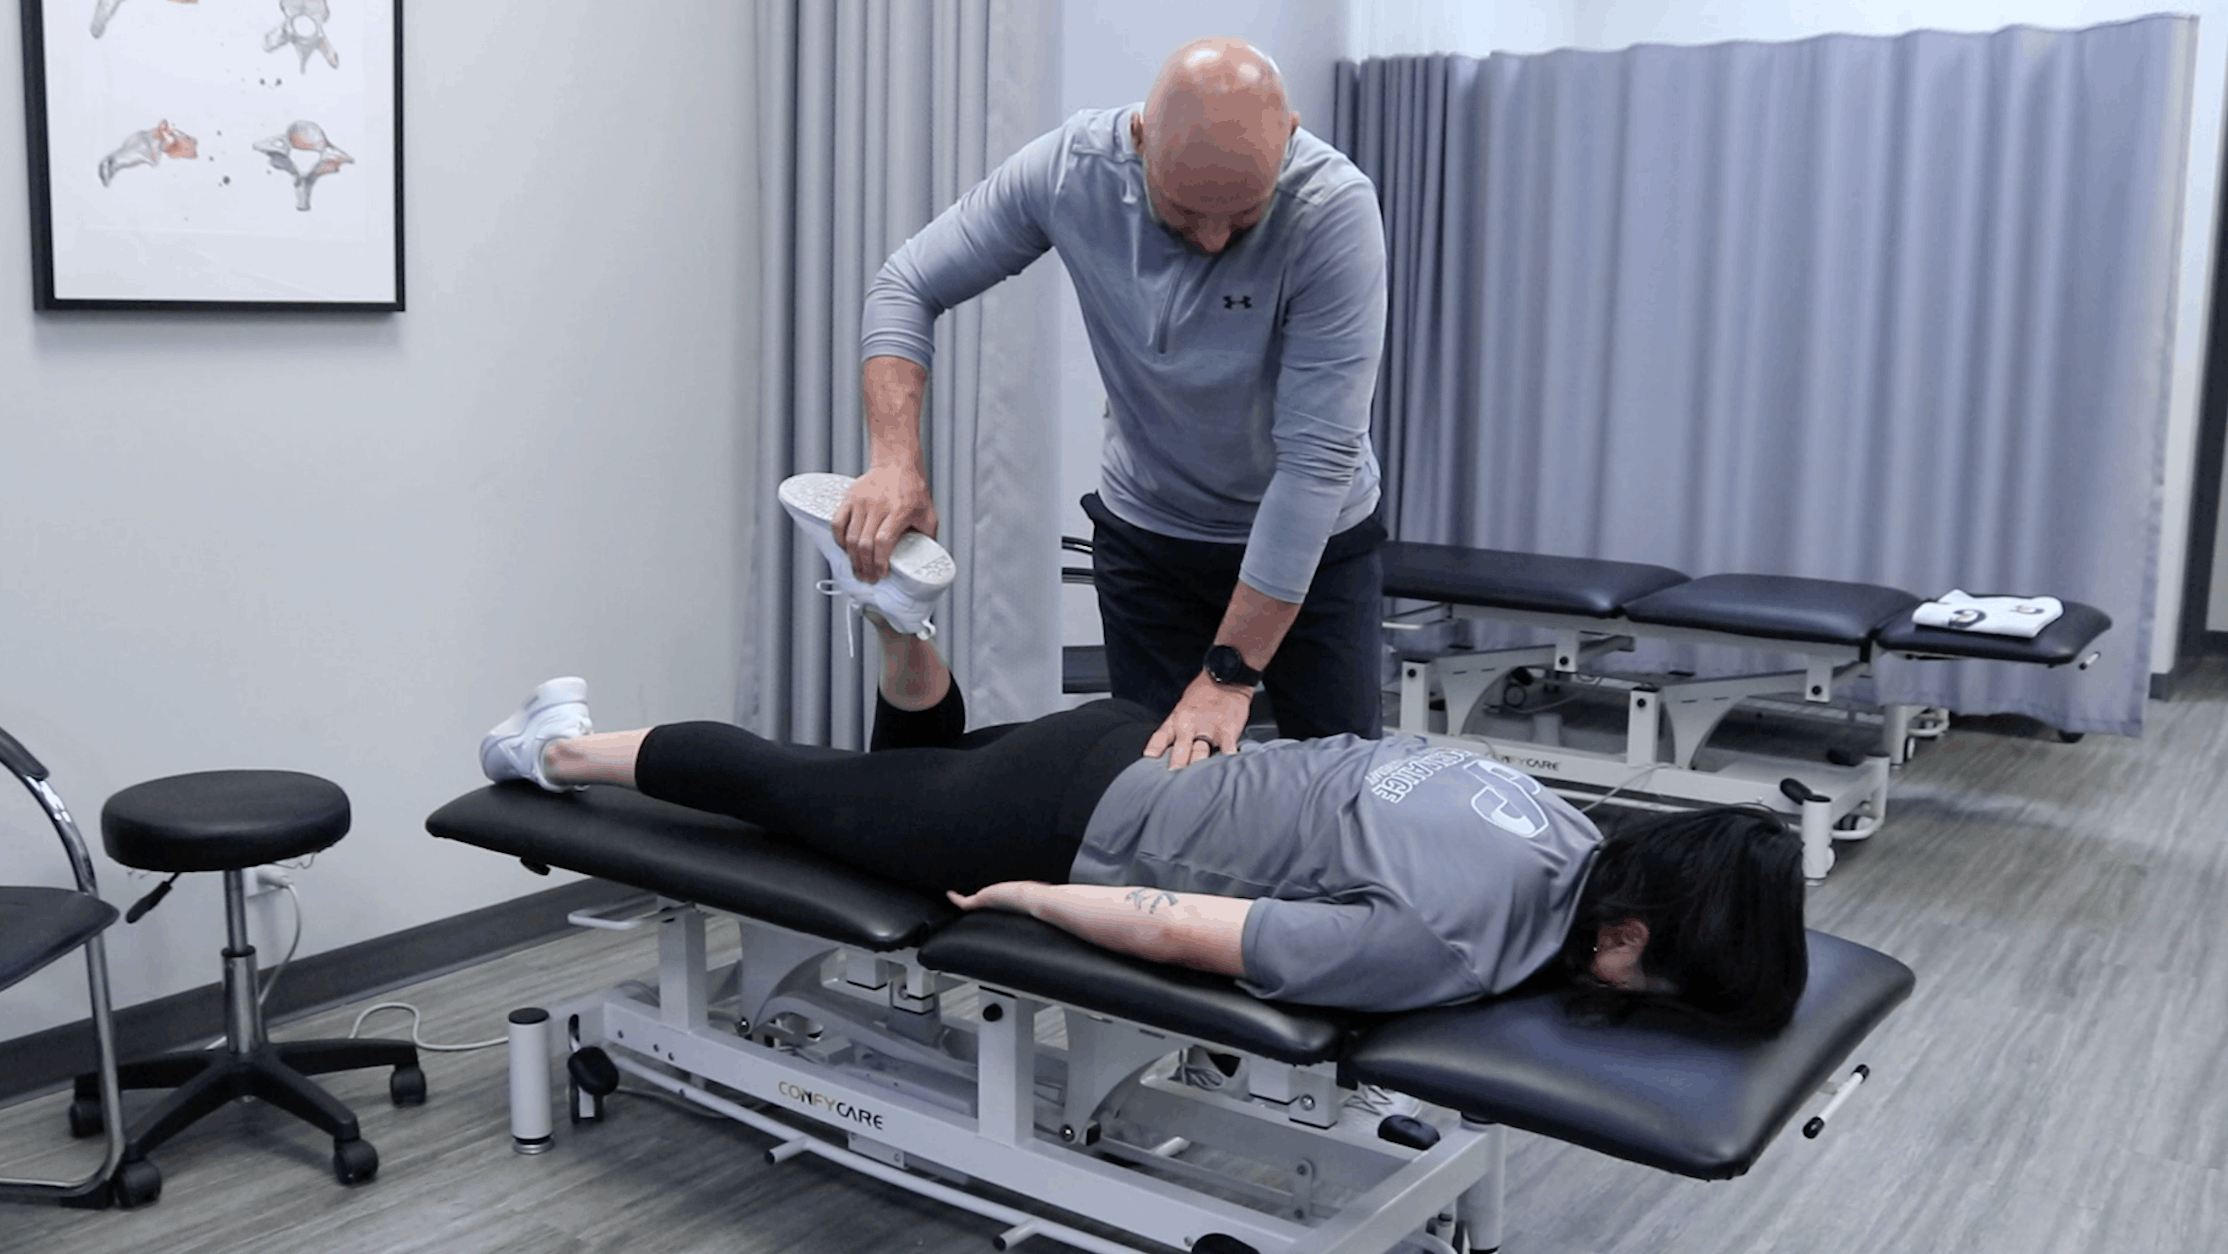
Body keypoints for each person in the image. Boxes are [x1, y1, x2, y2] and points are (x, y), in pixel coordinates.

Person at [478, 642, 1811, 1031]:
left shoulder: (1559, 819)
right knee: (789, 783)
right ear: (1624, 934)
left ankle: (899, 622)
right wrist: (1026, 900)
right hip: (1055, 822)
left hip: (1134, 735)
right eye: (1657, 986)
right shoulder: (1454, 948)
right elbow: (1181, 930)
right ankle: (545, 747)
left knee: (879, 786)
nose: (1637, 999)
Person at [837, 36, 1392, 769]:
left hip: (1313, 549)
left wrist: (1229, 674)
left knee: (1339, 790)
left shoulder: (1333, 211)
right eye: (1185, 212)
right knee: (1153, 798)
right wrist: (894, 463)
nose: (1213, 239)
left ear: (1289, 134)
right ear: (1139, 139)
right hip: (1151, 545)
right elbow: (905, 286)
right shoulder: (1072, 172)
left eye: (1243, 214)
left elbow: (1317, 460)